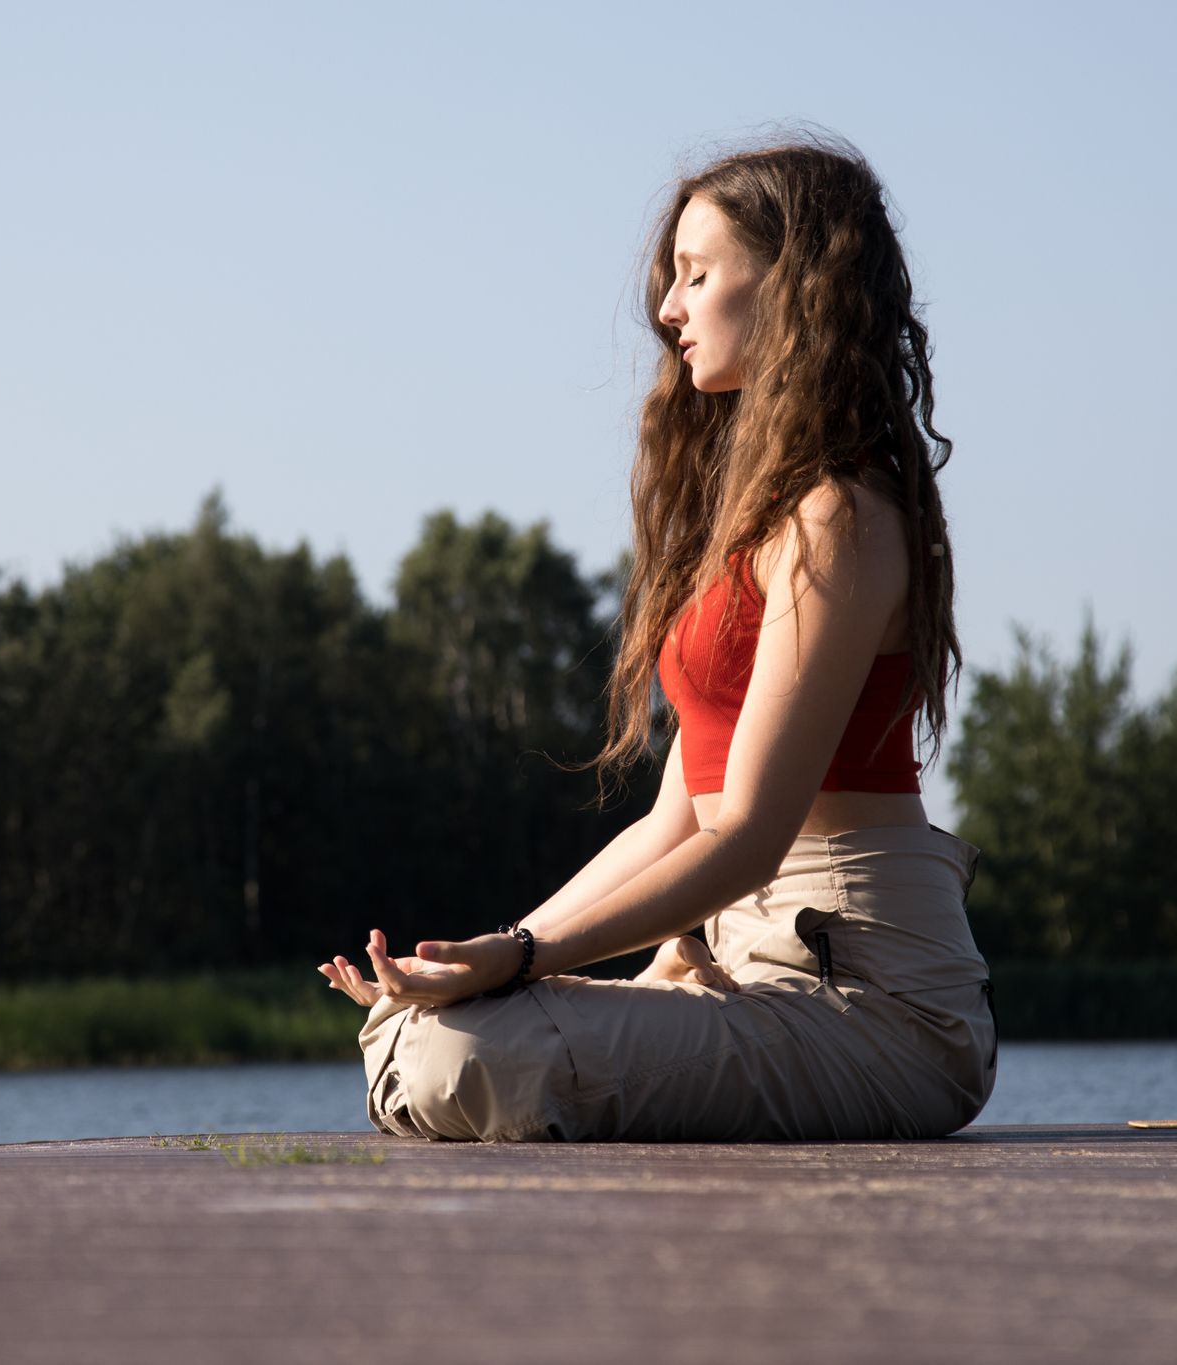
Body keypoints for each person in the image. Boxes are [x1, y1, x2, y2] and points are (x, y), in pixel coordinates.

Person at [315, 130, 996, 1142]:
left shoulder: (838, 519)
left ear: (790, 287)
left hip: (873, 1001)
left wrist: (524, 960)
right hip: (742, 966)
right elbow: (671, 823)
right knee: (424, 1028)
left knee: (461, 1052)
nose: (667, 309)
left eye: (695, 274)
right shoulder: (758, 525)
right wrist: (492, 953)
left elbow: (747, 836)